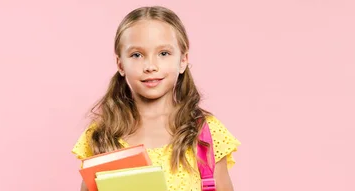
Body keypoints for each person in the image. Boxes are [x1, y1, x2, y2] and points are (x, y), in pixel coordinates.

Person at [71, 6, 241, 191]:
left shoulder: (207, 133)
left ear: (183, 60)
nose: (150, 66)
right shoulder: (102, 134)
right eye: (137, 55)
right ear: (120, 64)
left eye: (163, 53)